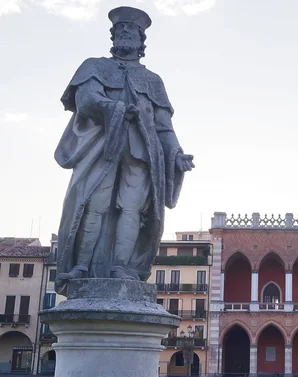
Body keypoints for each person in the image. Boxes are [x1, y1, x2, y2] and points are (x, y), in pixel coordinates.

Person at [53, 6, 194, 295]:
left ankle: (121, 267)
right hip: (102, 148)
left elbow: (163, 125)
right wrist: (115, 108)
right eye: (121, 30)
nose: (126, 33)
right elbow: (86, 100)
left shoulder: (153, 80)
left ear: (142, 41)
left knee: (132, 210)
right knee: (94, 204)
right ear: (113, 36)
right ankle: (82, 266)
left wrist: (177, 154)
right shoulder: (94, 67)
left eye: (132, 30)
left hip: (142, 151)